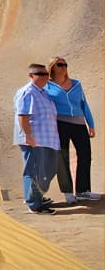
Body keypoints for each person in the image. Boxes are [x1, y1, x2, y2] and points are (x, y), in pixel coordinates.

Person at [44, 57, 100, 203]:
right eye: (60, 64)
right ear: (52, 68)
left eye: (65, 64)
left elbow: (84, 104)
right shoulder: (47, 86)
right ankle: (68, 192)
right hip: (60, 124)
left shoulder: (76, 84)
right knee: (62, 158)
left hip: (79, 124)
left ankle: (83, 190)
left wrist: (91, 124)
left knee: (85, 155)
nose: (64, 67)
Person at [13, 63, 60, 214]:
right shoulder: (28, 92)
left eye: (45, 74)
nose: (44, 77)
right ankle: (34, 205)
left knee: (49, 169)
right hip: (34, 140)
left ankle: (37, 197)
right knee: (33, 171)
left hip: (47, 140)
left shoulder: (43, 92)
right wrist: (28, 136)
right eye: (39, 74)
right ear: (31, 76)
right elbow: (23, 116)